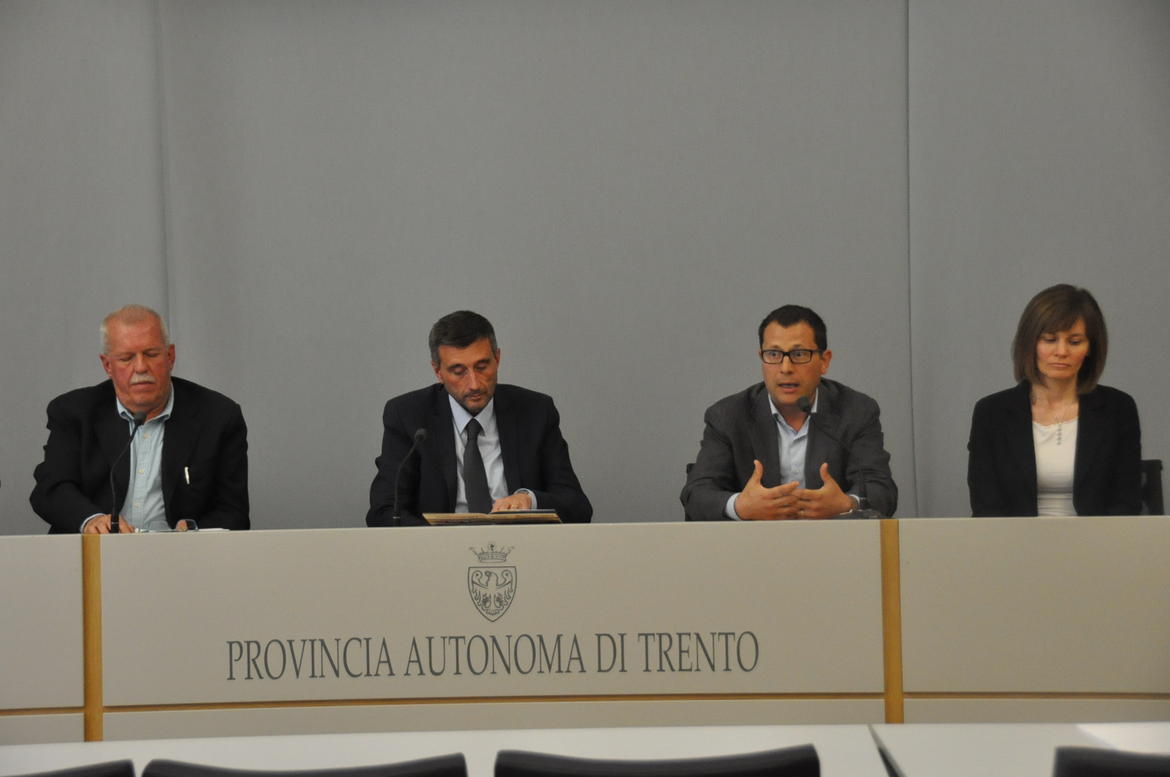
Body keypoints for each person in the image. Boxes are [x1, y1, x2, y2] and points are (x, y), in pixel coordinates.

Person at [30, 305, 250, 533]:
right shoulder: (75, 412)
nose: (141, 367)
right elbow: (51, 489)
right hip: (98, 549)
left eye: (151, 354)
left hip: (179, 551)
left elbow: (233, 513)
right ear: (108, 365)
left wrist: (194, 530)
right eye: (126, 358)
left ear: (170, 356)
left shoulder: (218, 416)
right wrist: (92, 520)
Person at [367, 310, 592, 526]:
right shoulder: (408, 415)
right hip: (440, 547)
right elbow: (384, 511)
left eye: (482, 367)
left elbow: (578, 507)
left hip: (520, 546)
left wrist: (530, 500)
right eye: (458, 371)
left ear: (497, 358)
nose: (474, 384)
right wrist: (439, 542)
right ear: (438, 371)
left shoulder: (535, 411)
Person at [681, 305, 897, 520]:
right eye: (774, 354)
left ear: (824, 361)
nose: (785, 368)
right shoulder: (728, 416)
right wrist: (740, 506)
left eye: (799, 354)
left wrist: (847, 504)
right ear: (762, 358)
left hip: (832, 539)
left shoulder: (856, 411)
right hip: (754, 540)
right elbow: (697, 494)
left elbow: (881, 489)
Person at [967, 284, 1141, 516]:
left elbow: (1126, 502)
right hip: (1014, 538)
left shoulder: (1117, 408)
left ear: (1090, 347)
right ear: (1030, 343)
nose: (1061, 351)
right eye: (1049, 339)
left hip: (1099, 538)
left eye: (1075, 342)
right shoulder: (992, 412)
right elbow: (986, 507)